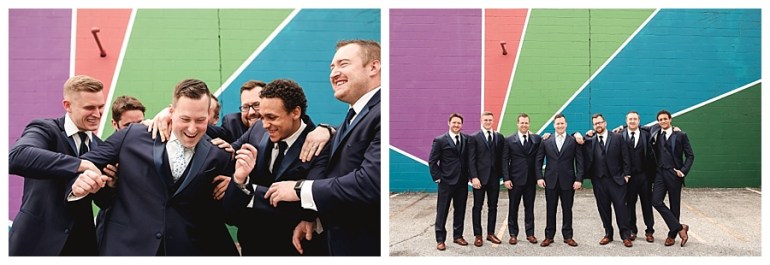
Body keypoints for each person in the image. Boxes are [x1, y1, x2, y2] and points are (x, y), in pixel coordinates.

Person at [78, 79, 245, 255]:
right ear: (171, 112)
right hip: (128, 248)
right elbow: (86, 162)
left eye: (200, 120)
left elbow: (228, 215)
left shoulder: (218, 154)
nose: (192, 128)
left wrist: (238, 184)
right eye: (185, 119)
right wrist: (93, 180)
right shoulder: (132, 136)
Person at [265, 39, 381, 256]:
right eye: (332, 67)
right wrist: (329, 129)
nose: (334, 73)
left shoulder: (382, 111)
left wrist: (300, 189)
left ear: (373, 67)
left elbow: (370, 183)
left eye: (343, 64)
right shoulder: (355, 114)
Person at [8, 75, 110, 255]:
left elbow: (103, 200)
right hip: (35, 241)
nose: (97, 114)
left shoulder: (99, 146)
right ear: (67, 106)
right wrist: (80, 164)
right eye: (89, 108)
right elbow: (16, 156)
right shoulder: (45, 129)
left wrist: (110, 184)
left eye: (100, 107)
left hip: (81, 246)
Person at [222, 79, 322, 256]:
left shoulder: (319, 145)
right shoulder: (258, 129)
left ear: (295, 112)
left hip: (294, 249)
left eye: (272, 117)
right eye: (263, 116)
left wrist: (245, 190)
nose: (265, 124)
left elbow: (307, 205)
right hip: (252, 246)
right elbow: (229, 151)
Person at [583, 113, 633, 247]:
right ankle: (608, 234)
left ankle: (625, 235)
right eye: (595, 123)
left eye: (600, 122)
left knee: (621, 208)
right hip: (598, 180)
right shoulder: (590, 139)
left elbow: (625, 155)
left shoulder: (617, 137)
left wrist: (627, 174)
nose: (598, 125)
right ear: (593, 126)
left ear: (605, 123)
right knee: (603, 208)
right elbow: (575, 139)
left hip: (617, 180)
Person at [535, 113, 583, 247]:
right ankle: (549, 236)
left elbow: (580, 161)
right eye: (557, 124)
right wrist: (539, 177)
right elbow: (538, 160)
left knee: (567, 209)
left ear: (566, 124)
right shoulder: (546, 140)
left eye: (562, 123)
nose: (560, 125)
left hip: (568, 181)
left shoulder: (573, 140)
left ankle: (568, 236)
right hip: (550, 180)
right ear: (554, 125)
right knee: (550, 209)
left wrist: (578, 179)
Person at [650, 110, 694, 247]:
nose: (663, 121)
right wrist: (622, 127)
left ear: (670, 119)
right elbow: (641, 128)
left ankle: (671, 235)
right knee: (656, 201)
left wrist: (683, 171)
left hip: (674, 174)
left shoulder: (680, 135)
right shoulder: (656, 132)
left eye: (665, 119)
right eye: (660, 119)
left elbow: (690, 155)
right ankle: (680, 227)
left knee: (675, 205)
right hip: (660, 173)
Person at [428, 112, 469, 251]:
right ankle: (440, 239)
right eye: (454, 122)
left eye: (459, 123)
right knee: (442, 211)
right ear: (449, 123)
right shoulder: (440, 140)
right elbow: (432, 161)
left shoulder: (465, 139)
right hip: (446, 182)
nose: (456, 125)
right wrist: (438, 177)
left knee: (460, 210)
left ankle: (458, 236)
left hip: (462, 182)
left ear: (461, 125)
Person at [501, 113, 541, 245]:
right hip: (515, 180)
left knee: (529, 208)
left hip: (530, 180)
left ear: (529, 124)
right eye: (522, 123)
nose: (524, 125)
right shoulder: (509, 140)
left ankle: (530, 234)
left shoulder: (536, 139)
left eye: (526, 123)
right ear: (517, 124)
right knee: (513, 208)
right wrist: (506, 178)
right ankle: (513, 234)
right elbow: (505, 159)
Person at [466, 111, 504, 247]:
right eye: (485, 120)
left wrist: (503, 176)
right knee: (477, 207)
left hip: (494, 179)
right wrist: (474, 177)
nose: (488, 122)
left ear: (493, 121)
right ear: (481, 120)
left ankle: (491, 233)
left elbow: (502, 158)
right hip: (479, 180)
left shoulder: (499, 137)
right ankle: (478, 235)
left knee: (493, 207)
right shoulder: (474, 137)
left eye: (490, 120)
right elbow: (471, 159)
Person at [621, 111, 656, 243]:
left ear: (639, 121)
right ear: (626, 121)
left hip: (645, 176)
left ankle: (650, 230)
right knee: (630, 205)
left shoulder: (647, 134)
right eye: (630, 119)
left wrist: (675, 128)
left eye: (635, 119)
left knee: (647, 204)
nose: (632, 121)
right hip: (629, 177)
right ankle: (632, 230)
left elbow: (658, 126)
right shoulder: (620, 135)